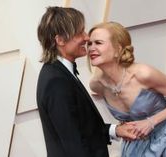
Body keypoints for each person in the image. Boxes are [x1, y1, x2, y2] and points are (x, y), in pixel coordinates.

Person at [87, 21, 166, 157]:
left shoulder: (143, 74)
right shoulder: (97, 84)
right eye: (89, 43)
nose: (91, 48)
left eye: (98, 43)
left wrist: (150, 122)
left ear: (118, 49)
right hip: (142, 146)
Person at [36, 7, 136, 157]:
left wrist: (115, 130)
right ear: (60, 40)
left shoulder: (59, 73)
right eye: (79, 33)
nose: (86, 38)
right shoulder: (56, 82)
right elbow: (74, 144)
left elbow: (82, 127)